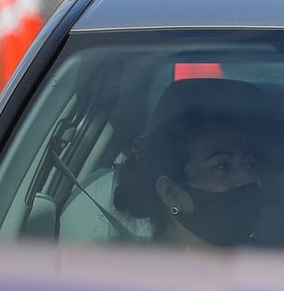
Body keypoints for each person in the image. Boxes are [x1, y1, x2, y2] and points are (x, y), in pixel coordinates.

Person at [113, 83, 264, 248]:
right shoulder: (124, 271)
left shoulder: (276, 266)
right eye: (221, 166)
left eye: (249, 165)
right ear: (170, 192)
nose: (247, 178)